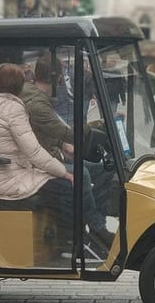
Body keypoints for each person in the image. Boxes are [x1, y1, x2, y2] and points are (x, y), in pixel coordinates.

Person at [0, 63, 83, 247]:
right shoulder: (12, 109)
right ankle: (68, 243)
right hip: (10, 179)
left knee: (56, 184)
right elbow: (34, 152)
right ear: (19, 86)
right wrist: (64, 172)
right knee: (65, 187)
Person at [20, 55, 113, 242]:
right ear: (60, 79)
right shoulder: (38, 104)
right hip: (37, 165)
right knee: (83, 174)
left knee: (105, 169)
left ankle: (93, 219)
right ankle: (94, 227)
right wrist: (96, 123)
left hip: (50, 154)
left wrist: (62, 144)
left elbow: (43, 131)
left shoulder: (34, 96)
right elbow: (70, 133)